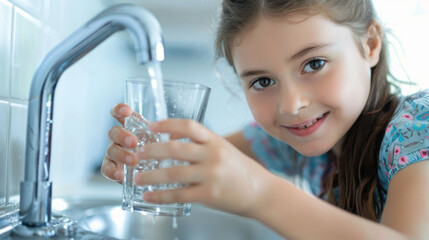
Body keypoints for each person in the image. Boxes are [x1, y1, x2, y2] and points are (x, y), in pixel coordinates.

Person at [101, 0, 429, 239]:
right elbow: (192, 164)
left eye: (314, 64)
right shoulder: (288, 141)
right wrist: (143, 158)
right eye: (263, 82)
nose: (291, 104)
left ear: (370, 43)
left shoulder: (417, 130)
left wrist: (261, 194)